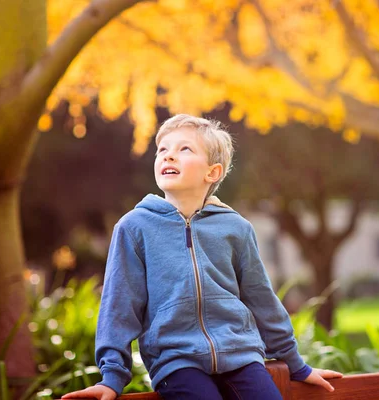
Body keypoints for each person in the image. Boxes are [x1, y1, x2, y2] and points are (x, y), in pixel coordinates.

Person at [62, 114, 342, 400]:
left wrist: (296, 365)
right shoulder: (135, 227)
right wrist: (111, 377)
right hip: (175, 360)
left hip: (240, 354)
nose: (169, 156)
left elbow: (261, 298)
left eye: (184, 149)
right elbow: (119, 306)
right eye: (163, 150)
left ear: (213, 172)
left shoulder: (235, 228)